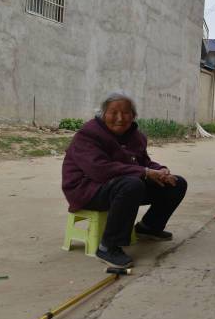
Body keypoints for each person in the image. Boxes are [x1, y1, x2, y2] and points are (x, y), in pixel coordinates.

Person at [62, 92, 187, 268]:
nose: (120, 118)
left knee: (176, 183)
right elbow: (99, 170)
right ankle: (108, 246)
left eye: (126, 112)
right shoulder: (88, 134)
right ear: (103, 114)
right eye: (113, 112)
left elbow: (144, 162)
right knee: (131, 184)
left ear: (133, 115)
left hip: (120, 186)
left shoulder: (135, 135)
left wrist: (159, 169)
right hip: (87, 189)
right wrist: (144, 172)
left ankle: (149, 227)